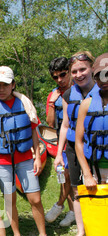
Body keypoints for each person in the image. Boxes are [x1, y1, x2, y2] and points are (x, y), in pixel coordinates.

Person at [0, 66, 58, 236]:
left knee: (35, 198)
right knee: (10, 199)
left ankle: (43, 235)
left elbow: (33, 131)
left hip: (25, 157)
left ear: (13, 85)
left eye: (5, 85)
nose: (1, 89)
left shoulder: (25, 103)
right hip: (2, 161)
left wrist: (37, 158)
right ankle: (16, 235)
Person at [54, 51, 99, 236]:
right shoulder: (66, 95)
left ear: (92, 69)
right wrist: (58, 154)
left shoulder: (102, 91)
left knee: (99, 185)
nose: (79, 74)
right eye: (74, 71)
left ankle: (99, 227)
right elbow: (65, 125)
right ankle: (81, 232)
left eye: (83, 69)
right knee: (77, 190)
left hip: (97, 145)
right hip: (73, 147)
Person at [74, 53, 108, 236]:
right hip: (95, 170)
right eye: (100, 76)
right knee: (96, 215)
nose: (104, 79)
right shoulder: (86, 104)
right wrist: (86, 173)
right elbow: (78, 142)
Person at [45, 57, 75, 227]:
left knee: (72, 177)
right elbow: (50, 123)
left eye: (63, 75)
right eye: (55, 77)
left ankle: (59, 204)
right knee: (65, 176)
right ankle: (71, 212)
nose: (60, 80)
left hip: (80, 140)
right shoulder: (54, 94)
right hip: (62, 143)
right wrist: (51, 102)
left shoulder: (79, 89)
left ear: (70, 71)